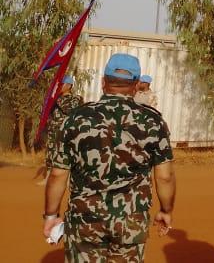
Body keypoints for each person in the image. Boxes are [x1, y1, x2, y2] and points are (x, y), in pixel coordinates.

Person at [43, 53, 176, 261]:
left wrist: (51, 215)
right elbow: (165, 177)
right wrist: (166, 210)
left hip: (85, 221)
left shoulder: (76, 118)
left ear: (103, 82)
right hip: (130, 223)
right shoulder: (153, 122)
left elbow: (58, 175)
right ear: (135, 86)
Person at [39, 75, 82, 186]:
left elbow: (70, 110)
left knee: (67, 155)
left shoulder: (75, 99)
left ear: (69, 86)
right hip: (53, 131)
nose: (59, 87)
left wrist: (58, 99)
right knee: (50, 154)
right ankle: (48, 178)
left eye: (62, 84)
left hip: (67, 133)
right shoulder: (55, 99)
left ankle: (68, 180)